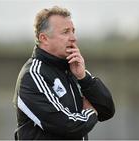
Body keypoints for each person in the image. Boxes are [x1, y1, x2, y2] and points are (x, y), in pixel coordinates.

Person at [13, 6, 115, 140]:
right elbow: (68, 126)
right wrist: (90, 112)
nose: (73, 38)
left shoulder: (72, 68)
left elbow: (107, 110)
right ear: (44, 38)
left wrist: (83, 78)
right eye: (66, 32)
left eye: (73, 31)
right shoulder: (32, 75)